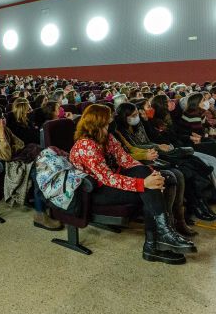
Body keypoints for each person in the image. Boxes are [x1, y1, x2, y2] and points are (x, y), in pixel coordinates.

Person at [69, 104, 195, 264]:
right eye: (107, 123)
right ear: (97, 124)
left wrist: (151, 174)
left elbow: (126, 160)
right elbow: (107, 178)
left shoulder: (106, 137)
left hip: (111, 182)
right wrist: (143, 183)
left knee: (165, 178)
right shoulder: (86, 145)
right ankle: (156, 242)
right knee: (149, 187)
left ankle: (162, 234)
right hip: (95, 191)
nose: (110, 125)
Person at [0, 106, 61, 230]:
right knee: (39, 172)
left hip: (19, 159)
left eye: (3, 117)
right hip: (6, 168)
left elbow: (21, 143)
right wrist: (2, 136)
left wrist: (9, 145)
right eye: (0, 118)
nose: (3, 120)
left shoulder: (6, 130)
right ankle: (40, 213)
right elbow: (6, 156)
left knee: (49, 163)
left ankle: (53, 201)